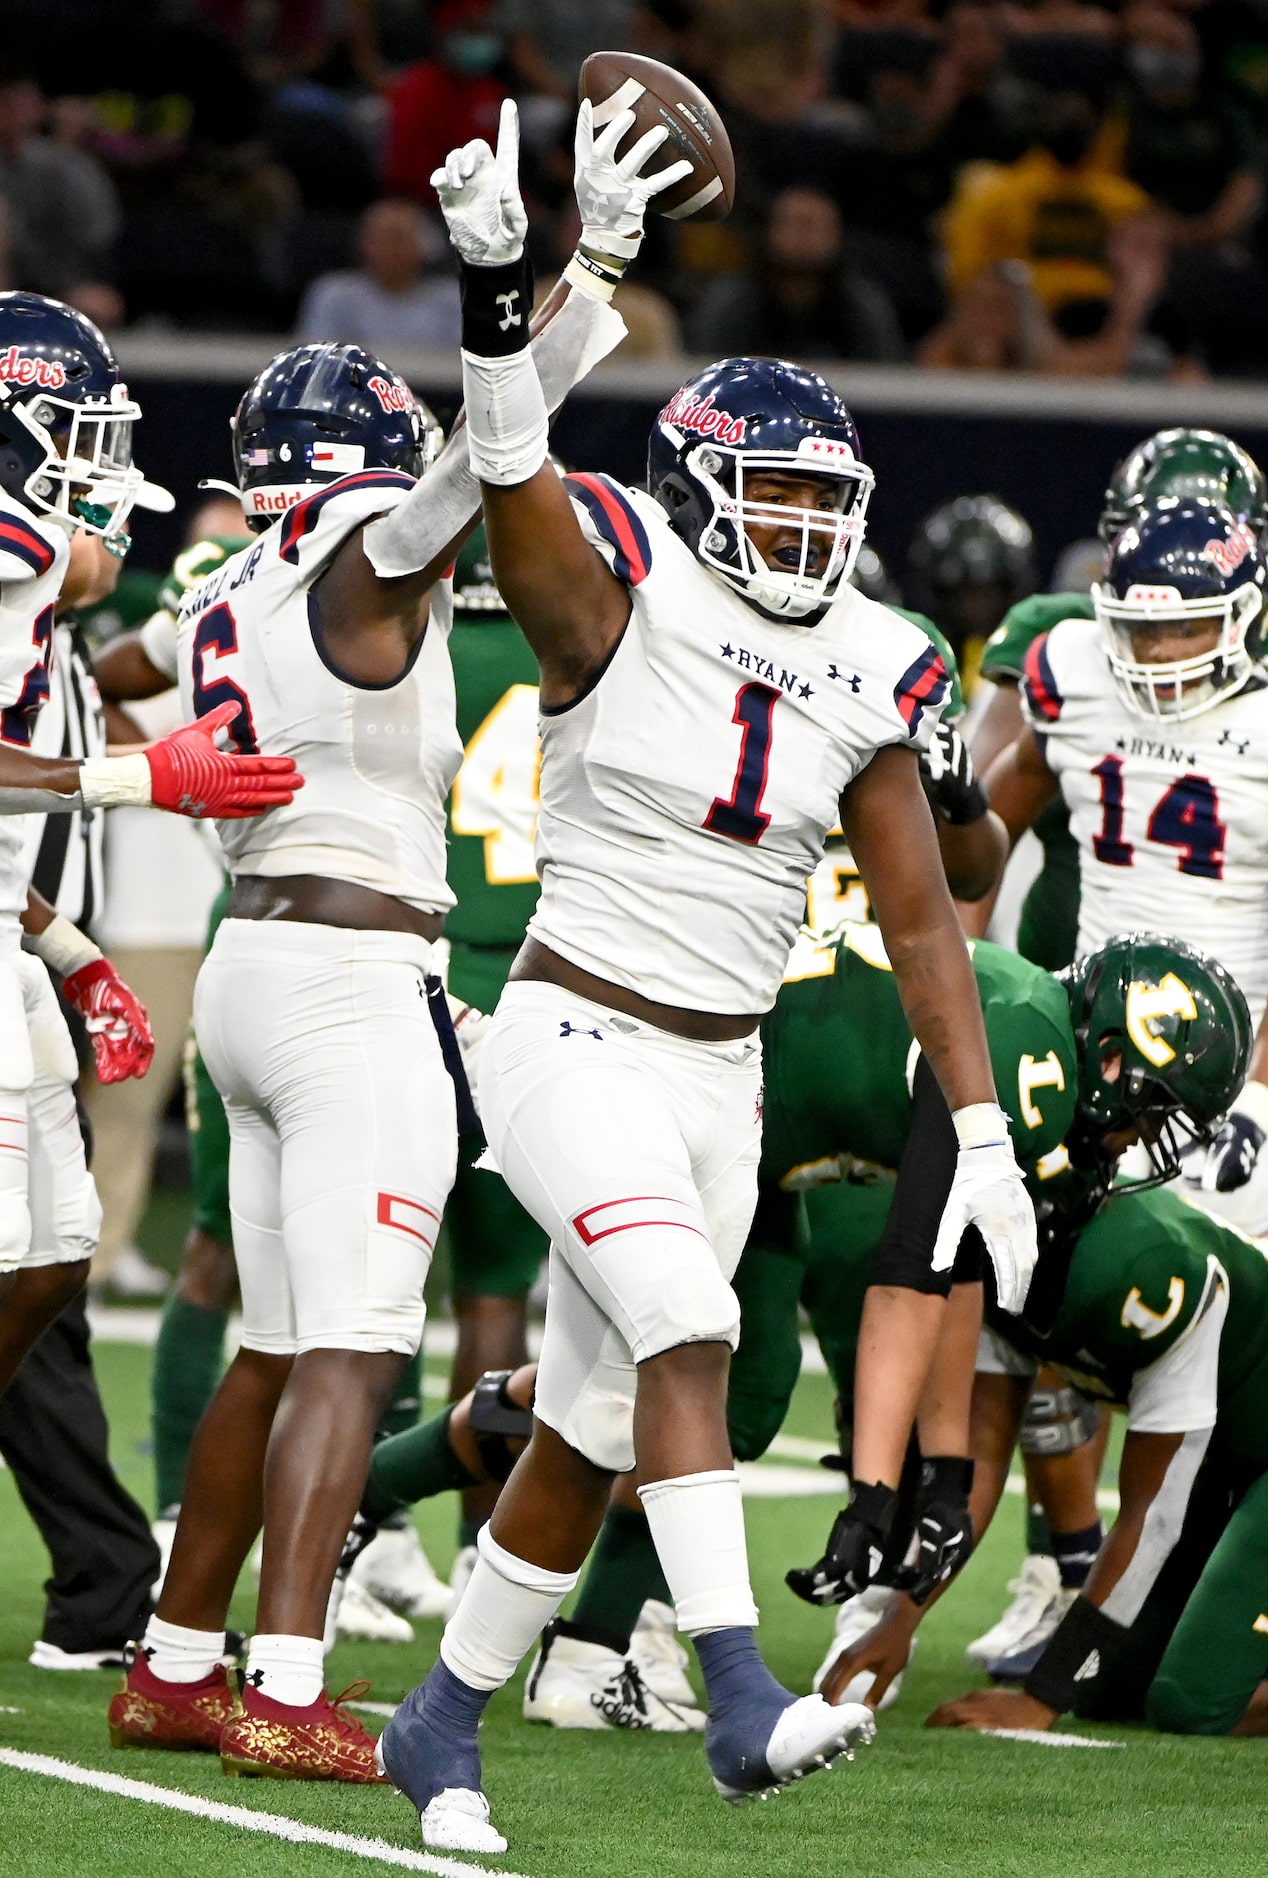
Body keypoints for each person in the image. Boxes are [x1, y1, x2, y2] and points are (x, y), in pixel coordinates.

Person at [376, 100, 1035, 1856]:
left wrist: (973, 1126)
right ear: (693, 493)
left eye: (832, 502)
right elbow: (506, 477)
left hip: (721, 1075)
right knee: (689, 1325)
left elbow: (919, 912)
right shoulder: (621, 592)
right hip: (571, 1029)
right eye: (779, 495)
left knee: (592, 1425)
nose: (810, 531)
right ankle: (737, 1696)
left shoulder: (879, 656)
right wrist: (508, 289)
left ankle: (434, 1721)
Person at [104, 111, 667, 1785]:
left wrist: (582, 286)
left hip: (253, 968)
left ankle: (177, 1657)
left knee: (271, 1338)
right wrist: (546, 283)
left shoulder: (215, 583)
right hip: (354, 978)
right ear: (363, 456)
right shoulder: (363, 557)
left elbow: (111, 670)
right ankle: (283, 1676)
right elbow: (486, 462)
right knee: (353, 1342)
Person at [822, 944, 1268, 1740]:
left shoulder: (1148, 1268)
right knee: (1113, 1686)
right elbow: (980, 1459)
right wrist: (901, 1619)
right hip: (1216, 1468)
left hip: (1239, 1462)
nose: (1129, 1144)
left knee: (1191, 1702)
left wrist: (1040, 1701)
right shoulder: (1003, 1256)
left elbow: (1150, 1513)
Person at [0, 291, 300, 1397]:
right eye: (74, 425)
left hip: (14, 950)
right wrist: (141, 774)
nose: (96, 458)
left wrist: (73, 957)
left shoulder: (38, 573)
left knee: (59, 1248)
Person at [981, 495, 1268, 1241]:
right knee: (1019, 1283)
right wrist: (968, 974)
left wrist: (1260, 1099)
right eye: (1144, 632)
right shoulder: (1074, 674)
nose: (1164, 652)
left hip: (1229, 1068)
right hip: (1088, 1045)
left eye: (1187, 627)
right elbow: (977, 843)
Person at [685, 187, 904, 364]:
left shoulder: (865, 309)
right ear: (769, 231)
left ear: (838, 237)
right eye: (794, 224)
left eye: (817, 227)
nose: (804, 237)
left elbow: (883, 384)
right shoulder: (729, 304)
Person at [904, 495, 1035, 699]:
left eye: (987, 594)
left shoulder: (1039, 661)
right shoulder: (911, 655)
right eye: (964, 595)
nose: (976, 608)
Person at [296, 198, 461, 356]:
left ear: (425, 245)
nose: (391, 249)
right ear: (364, 243)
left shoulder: (452, 299)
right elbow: (315, 362)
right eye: (381, 238)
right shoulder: (334, 294)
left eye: (399, 238)